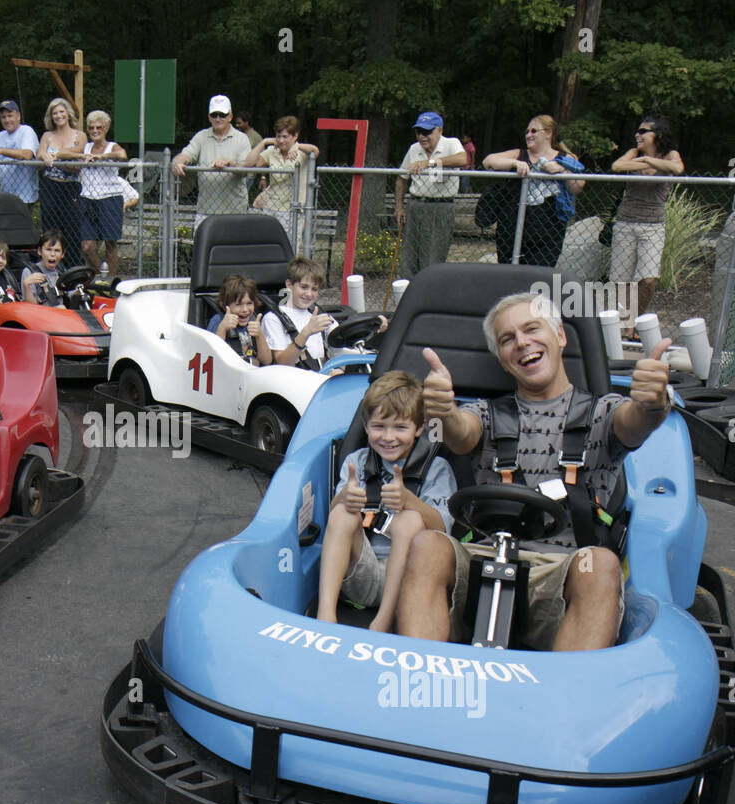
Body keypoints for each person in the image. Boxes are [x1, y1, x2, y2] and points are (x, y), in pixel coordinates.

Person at [397, 291, 673, 651]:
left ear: (560, 336)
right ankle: (421, 675)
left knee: (601, 563)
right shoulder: (486, 414)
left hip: (563, 570)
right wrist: (444, 411)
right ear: (501, 357)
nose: (522, 343)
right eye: (507, 339)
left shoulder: (603, 412)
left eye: (531, 329)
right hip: (485, 558)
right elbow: (461, 434)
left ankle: (568, 696)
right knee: (428, 544)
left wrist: (654, 404)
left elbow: (636, 422)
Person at [316, 371, 455, 629]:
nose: (389, 437)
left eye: (400, 427)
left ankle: (384, 619)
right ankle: (326, 614)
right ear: (367, 426)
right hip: (362, 572)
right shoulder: (356, 462)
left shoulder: (437, 469)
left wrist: (410, 501)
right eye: (379, 427)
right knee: (341, 513)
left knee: (411, 519)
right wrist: (345, 499)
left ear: (419, 428)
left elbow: (443, 528)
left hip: (410, 581)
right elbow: (335, 517)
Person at [482, 115, 585, 267]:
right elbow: (488, 161)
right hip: (511, 228)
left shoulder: (565, 158)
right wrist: (515, 163)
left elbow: (577, 187)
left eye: (534, 131)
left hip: (548, 231)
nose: (528, 135)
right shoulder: (519, 154)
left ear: (548, 133)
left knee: (537, 279)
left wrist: (562, 169)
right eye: (527, 132)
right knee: (509, 276)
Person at [610, 114, 684, 324]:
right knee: (622, 280)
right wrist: (643, 160)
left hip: (653, 226)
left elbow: (678, 168)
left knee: (648, 280)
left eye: (643, 131)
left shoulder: (670, 154)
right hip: (625, 223)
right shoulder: (633, 152)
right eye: (637, 131)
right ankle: (626, 326)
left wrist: (646, 160)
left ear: (658, 134)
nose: (637, 135)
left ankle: (636, 319)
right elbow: (617, 167)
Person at [393, 111, 467, 278]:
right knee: (409, 258)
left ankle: (429, 297)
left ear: (439, 130)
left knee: (433, 258)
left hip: (441, 207)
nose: (422, 136)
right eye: (419, 132)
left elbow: (463, 159)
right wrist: (399, 207)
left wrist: (431, 163)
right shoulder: (414, 149)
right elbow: (401, 178)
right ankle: (409, 295)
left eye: (427, 132)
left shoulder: (451, 144)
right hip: (415, 205)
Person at [61, 110, 126, 277]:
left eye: (99, 127)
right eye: (91, 128)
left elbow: (122, 155)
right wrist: (82, 156)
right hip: (87, 198)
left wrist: (102, 157)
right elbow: (63, 153)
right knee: (87, 246)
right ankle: (101, 276)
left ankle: (110, 283)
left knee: (110, 243)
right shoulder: (87, 147)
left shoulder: (112, 146)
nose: (95, 131)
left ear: (105, 128)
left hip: (109, 198)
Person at [172, 95, 252, 228]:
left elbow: (245, 171)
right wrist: (178, 162)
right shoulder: (201, 136)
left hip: (235, 212)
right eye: (214, 115)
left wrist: (229, 163)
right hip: (205, 211)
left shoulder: (242, 139)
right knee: (203, 248)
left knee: (233, 249)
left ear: (230, 116)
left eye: (222, 114)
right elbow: (185, 155)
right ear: (209, 117)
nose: (218, 118)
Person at [246, 115, 319, 244]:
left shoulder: (302, 153)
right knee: (268, 248)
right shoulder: (272, 151)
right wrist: (264, 142)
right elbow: (250, 164)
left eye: (285, 137)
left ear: (295, 136)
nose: (281, 140)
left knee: (290, 250)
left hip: (292, 211)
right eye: (278, 136)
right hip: (271, 208)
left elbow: (315, 150)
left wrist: (298, 146)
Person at [260, 256, 337, 370]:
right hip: (292, 378)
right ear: (289, 285)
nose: (309, 294)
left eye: (314, 289)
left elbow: (342, 338)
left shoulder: (318, 314)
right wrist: (306, 332)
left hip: (322, 373)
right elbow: (282, 362)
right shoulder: (273, 318)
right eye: (304, 287)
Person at [37, 97, 86, 269]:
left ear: (68, 113)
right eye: (54, 113)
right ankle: (51, 267)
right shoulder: (47, 136)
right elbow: (39, 155)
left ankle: (71, 267)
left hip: (71, 187)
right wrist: (44, 155)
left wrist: (57, 154)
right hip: (50, 185)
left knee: (71, 228)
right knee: (51, 228)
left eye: (61, 112)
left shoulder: (80, 135)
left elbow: (78, 152)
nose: (58, 116)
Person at [0, 99, 39, 206]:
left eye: (10, 116)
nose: (7, 120)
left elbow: (27, 154)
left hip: (24, 197)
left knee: (20, 223)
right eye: (3, 117)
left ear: (18, 116)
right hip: (5, 195)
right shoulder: (0, 136)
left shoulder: (26, 131)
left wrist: (0, 150)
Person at [206, 274, 272, 366]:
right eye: (238, 304)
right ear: (226, 306)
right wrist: (222, 329)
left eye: (249, 303)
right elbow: (210, 357)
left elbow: (266, 360)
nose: (245, 309)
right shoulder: (218, 321)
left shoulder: (254, 321)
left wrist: (259, 335)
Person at [21, 230, 66, 306]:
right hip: (40, 314)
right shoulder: (30, 272)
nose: (52, 254)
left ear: (62, 254)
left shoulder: (62, 272)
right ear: (39, 251)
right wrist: (26, 285)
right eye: (48, 250)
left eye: (57, 250)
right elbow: (30, 307)